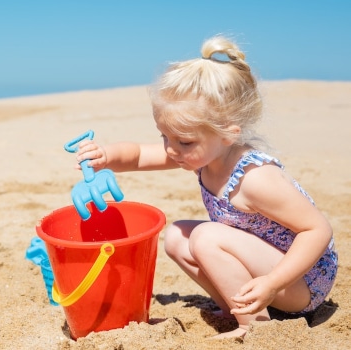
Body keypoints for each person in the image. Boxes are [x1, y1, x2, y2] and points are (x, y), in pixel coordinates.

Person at [74, 35, 337, 339]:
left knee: (205, 236)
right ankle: (235, 305)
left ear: (228, 133)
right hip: (270, 270)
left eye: (183, 141)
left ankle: (255, 326)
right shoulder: (203, 153)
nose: (171, 150)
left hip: (303, 282)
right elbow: (140, 155)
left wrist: (274, 283)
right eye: (165, 137)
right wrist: (105, 156)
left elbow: (317, 230)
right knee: (176, 237)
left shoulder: (255, 179)